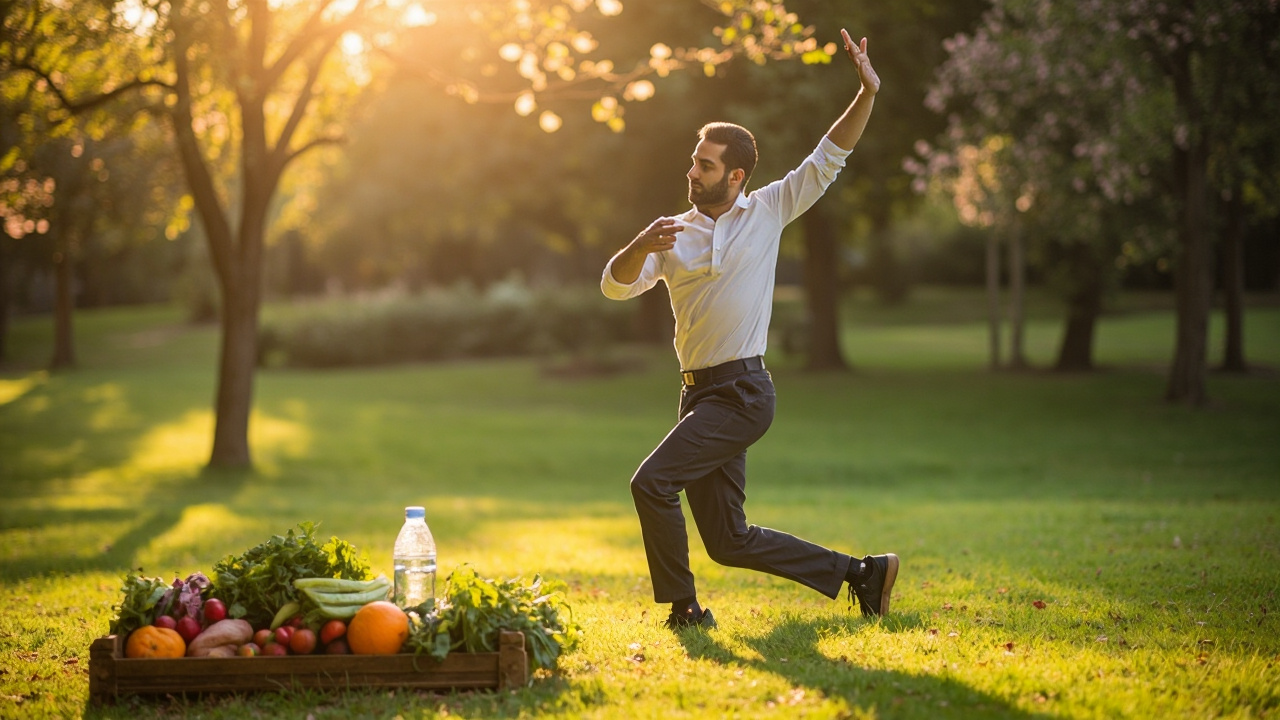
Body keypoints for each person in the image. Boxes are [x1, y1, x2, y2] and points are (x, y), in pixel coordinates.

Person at [600, 31, 898, 630]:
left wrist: (866, 92)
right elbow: (614, 285)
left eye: (704, 165)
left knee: (651, 483)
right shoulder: (671, 233)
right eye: (692, 161)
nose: (692, 171)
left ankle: (684, 611)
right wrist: (637, 245)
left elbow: (827, 156)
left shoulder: (767, 211)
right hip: (696, 397)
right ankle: (861, 575)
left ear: (734, 176)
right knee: (729, 541)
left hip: (742, 393)